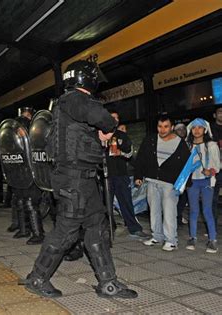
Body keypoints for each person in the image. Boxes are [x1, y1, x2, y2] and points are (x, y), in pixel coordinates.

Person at [24, 60, 137, 299]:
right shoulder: (73, 98)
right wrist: (110, 126)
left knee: (97, 228)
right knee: (66, 232)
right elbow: (100, 116)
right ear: (86, 79)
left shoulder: (69, 104)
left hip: (83, 178)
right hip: (73, 178)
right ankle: (37, 277)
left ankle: (107, 283)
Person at [135, 115, 190, 251]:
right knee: (154, 211)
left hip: (170, 183)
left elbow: (187, 166)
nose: (162, 129)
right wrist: (138, 175)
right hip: (152, 180)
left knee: (169, 212)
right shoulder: (150, 140)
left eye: (166, 126)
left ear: (171, 127)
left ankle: (171, 240)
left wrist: (184, 185)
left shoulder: (180, 143)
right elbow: (141, 157)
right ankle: (157, 237)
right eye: (160, 126)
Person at [107, 111, 147, 238]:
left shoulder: (122, 136)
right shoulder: (100, 135)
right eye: (112, 117)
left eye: (117, 118)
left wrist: (121, 153)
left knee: (126, 202)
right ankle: (108, 228)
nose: (114, 120)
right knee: (104, 204)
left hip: (120, 174)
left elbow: (129, 154)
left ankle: (134, 228)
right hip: (105, 176)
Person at [8, 107, 45, 245]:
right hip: (19, 176)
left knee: (30, 203)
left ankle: (38, 233)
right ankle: (24, 230)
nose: (19, 131)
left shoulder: (35, 140)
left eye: (21, 128)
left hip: (32, 177)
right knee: (20, 202)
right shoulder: (14, 142)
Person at [184, 118, 219, 253]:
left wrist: (210, 171)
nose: (197, 130)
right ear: (191, 130)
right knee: (193, 210)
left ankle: (213, 240)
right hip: (192, 182)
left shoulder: (211, 146)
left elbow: (217, 165)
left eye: (200, 127)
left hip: (206, 182)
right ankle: (192, 237)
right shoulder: (187, 146)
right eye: (194, 127)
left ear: (205, 130)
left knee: (207, 210)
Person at [174, 123, 189, 226]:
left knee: (183, 199)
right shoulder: (172, 143)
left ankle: (178, 217)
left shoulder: (188, 143)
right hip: (175, 176)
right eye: (179, 129)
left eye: (183, 129)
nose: (182, 131)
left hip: (185, 176)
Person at [210, 107, 222, 229]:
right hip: (216, 169)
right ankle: (212, 227)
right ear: (214, 115)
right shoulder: (210, 130)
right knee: (212, 199)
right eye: (219, 112)